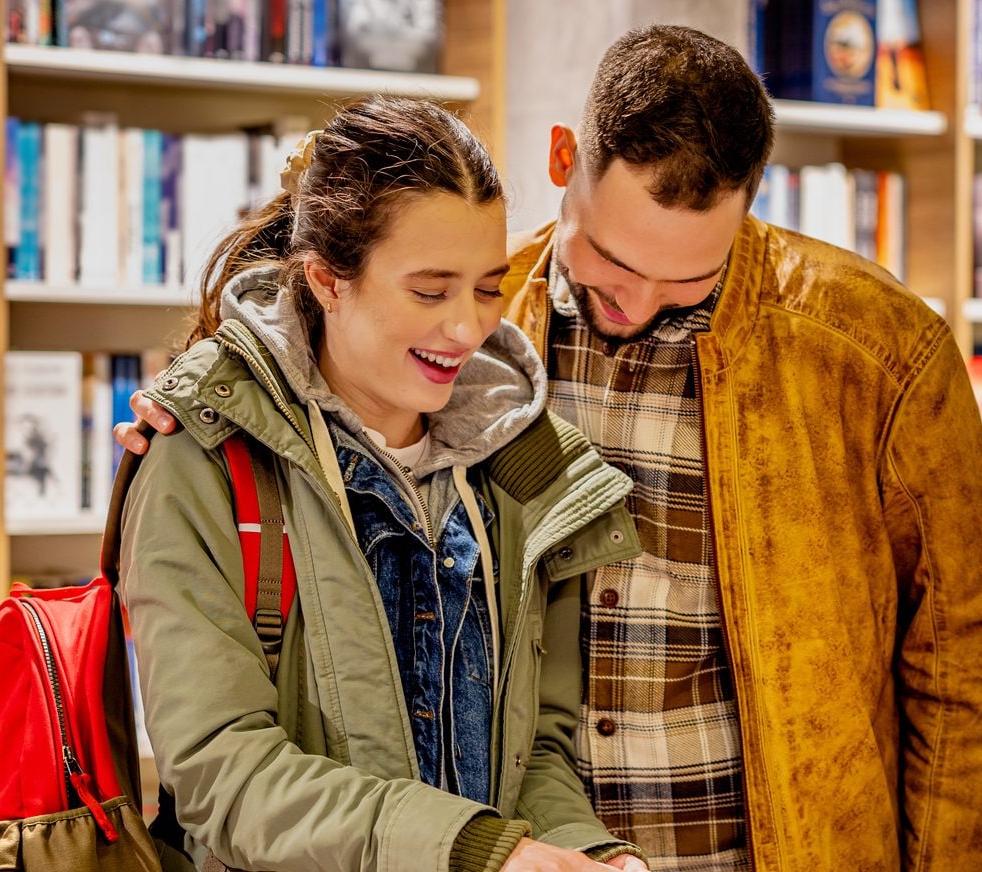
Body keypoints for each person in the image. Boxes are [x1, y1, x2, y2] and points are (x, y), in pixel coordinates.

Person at [122, 27, 982, 869]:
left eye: (690, 279)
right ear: (565, 160)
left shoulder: (875, 352)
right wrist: (192, 409)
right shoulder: (480, 322)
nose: (637, 303)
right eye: (613, 261)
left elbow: (971, 658)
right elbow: (295, 354)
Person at [118, 97, 652, 872]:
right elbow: (219, 776)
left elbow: (531, 756)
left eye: (488, 288)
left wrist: (593, 856)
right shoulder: (201, 458)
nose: (468, 329)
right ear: (328, 280)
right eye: (430, 292)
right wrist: (476, 853)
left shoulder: (525, 469)